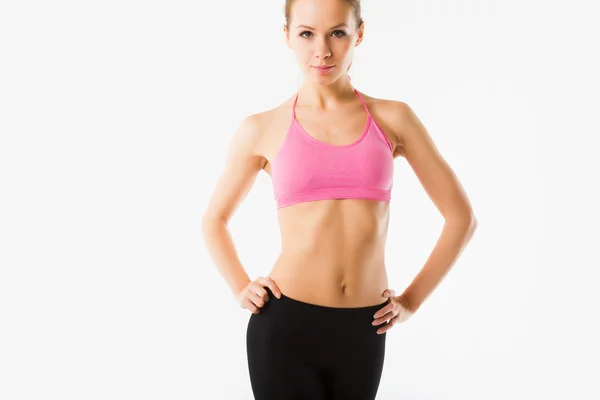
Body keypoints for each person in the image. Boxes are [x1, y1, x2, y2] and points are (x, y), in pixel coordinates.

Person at [201, 0, 477, 398]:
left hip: (364, 330)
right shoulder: (262, 127)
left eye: (338, 32)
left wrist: (412, 301)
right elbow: (214, 221)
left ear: (359, 34)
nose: (322, 50)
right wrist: (240, 285)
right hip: (285, 327)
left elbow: (461, 218)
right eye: (307, 34)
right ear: (287, 37)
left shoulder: (394, 119)